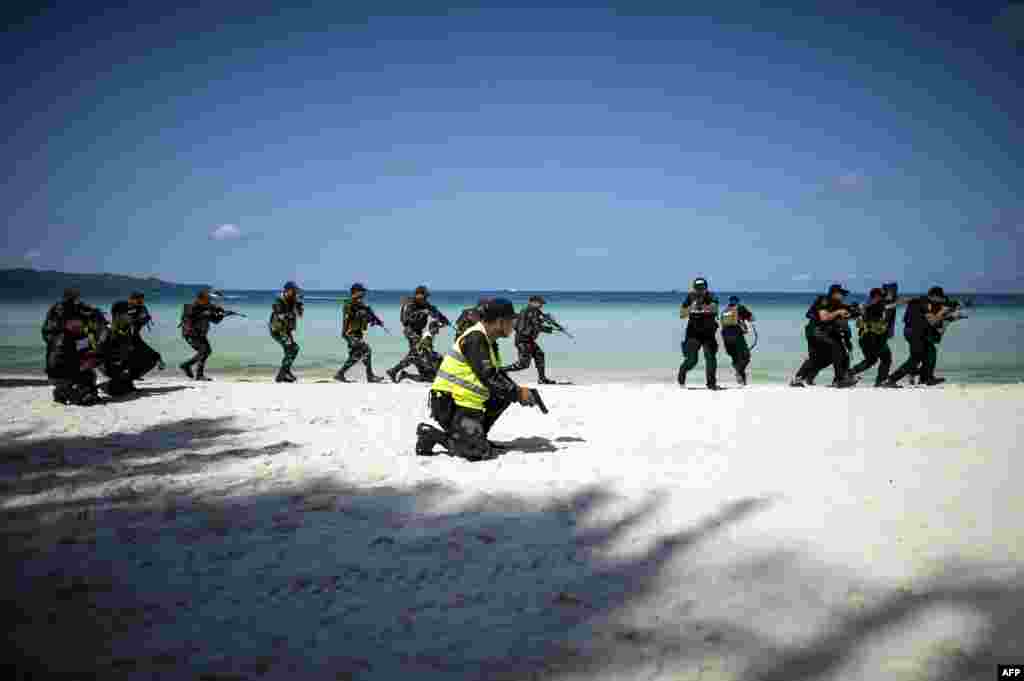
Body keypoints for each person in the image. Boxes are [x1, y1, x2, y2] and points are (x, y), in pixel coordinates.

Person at [415, 298, 537, 461]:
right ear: (500, 322)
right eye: (511, 321)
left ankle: (475, 436)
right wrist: (517, 393)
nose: (513, 326)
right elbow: (488, 376)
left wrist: (519, 392)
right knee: (478, 453)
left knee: (505, 392)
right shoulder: (475, 339)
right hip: (450, 403)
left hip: (468, 402)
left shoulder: (489, 341)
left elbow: (497, 375)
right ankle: (431, 435)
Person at [42, 288, 108, 405]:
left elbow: (46, 333)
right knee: (92, 359)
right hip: (63, 370)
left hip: (54, 371)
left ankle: (65, 389)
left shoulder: (56, 316)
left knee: (89, 359)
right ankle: (66, 390)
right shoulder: (71, 337)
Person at [884, 286, 956, 387]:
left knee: (931, 351)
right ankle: (891, 379)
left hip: (914, 332)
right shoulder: (924, 304)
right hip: (915, 332)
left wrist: (891, 305)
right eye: (940, 298)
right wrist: (944, 312)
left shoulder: (921, 300)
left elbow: (905, 300)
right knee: (915, 359)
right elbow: (933, 321)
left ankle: (926, 378)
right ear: (934, 296)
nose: (942, 300)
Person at [790, 284, 859, 388]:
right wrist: (838, 312)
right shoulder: (824, 300)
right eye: (841, 294)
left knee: (826, 357)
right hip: (816, 332)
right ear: (834, 293)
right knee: (835, 350)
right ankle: (839, 380)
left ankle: (799, 379)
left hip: (824, 333)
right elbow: (824, 318)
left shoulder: (838, 304)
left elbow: (847, 316)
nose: (843, 296)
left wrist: (855, 312)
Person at [387, 286, 450, 383]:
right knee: (418, 351)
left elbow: (434, 311)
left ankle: (400, 372)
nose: (426, 299)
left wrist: (444, 320)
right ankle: (394, 370)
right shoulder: (410, 304)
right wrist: (421, 312)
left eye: (426, 297)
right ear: (418, 295)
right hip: (410, 330)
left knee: (416, 355)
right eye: (424, 296)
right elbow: (405, 320)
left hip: (418, 331)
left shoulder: (424, 304)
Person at [105, 291, 164, 394]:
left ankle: (129, 379)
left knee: (154, 357)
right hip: (118, 338)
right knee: (124, 361)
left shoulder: (141, 308)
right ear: (131, 299)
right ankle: (121, 381)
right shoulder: (119, 305)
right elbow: (117, 318)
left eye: (142, 300)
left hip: (134, 339)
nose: (141, 302)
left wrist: (141, 317)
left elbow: (143, 320)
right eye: (138, 300)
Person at [850, 287, 905, 387]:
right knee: (885, 358)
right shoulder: (875, 305)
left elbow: (888, 306)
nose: (883, 298)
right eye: (882, 296)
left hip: (867, 338)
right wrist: (900, 302)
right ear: (876, 296)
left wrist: (900, 302)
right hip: (873, 338)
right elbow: (887, 306)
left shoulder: (867, 305)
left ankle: (849, 373)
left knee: (871, 360)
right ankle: (881, 381)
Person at [500, 295, 560, 384]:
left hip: (529, 340)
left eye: (542, 304)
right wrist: (551, 329)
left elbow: (540, 319)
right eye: (540, 303)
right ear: (532, 302)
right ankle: (500, 371)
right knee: (523, 365)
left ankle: (542, 379)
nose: (541, 305)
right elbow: (537, 326)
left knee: (539, 355)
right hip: (523, 340)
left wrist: (550, 321)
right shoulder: (528, 311)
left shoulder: (535, 311)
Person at [335, 282, 386, 383]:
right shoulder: (350, 304)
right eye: (362, 292)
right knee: (366, 350)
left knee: (357, 355)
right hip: (350, 333)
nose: (364, 294)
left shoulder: (360, 304)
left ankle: (340, 374)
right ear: (356, 292)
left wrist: (375, 321)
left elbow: (365, 318)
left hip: (357, 333)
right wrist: (345, 334)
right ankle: (370, 376)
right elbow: (347, 318)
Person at [677, 277, 721, 390]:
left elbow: (715, 309)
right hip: (693, 334)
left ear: (706, 288)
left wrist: (702, 307)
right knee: (692, 360)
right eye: (697, 288)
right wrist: (691, 307)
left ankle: (711, 383)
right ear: (694, 288)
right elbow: (682, 314)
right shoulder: (690, 297)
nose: (700, 290)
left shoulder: (712, 296)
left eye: (702, 287)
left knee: (710, 357)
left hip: (708, 333)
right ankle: (682, 374)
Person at [179, 289, 225, 381]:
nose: (209, 301)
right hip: (191, 334)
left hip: (201, 334)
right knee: (204, 351)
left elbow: (215, 321)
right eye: (207, 299)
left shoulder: (208, 307)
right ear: (200, 299)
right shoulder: (192, 308)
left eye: (209, 299)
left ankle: (186, 365)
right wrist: (207, 313)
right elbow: (191, 319)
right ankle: (198, 374)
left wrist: (221, 314)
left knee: (207, 351)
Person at [269, 281, 304, 383]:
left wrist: (299, 304)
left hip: (286, 330)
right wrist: (292, 313)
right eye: (293, 291)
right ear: (287, 291)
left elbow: (300, 315)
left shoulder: (293, 301)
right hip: (278, 330)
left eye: (296, 292)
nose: (295, 293)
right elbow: (280, 315)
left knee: (290, 351)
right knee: (293, 348)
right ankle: (282, 374)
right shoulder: (278, 301)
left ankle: (286, 373)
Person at [719, 295, 755, 385]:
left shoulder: (725, 311)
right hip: (736, 336)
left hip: (726, 338)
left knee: (736, 359)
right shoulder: (740, 308)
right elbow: (752, 318)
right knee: (746, 357)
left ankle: (742, 381)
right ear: (738, 301)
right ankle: (739, 373)